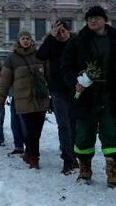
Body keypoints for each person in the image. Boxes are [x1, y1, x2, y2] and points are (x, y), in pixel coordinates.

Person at [61, 5, 116, 188]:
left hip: (110, 94)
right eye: (90, 18)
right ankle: (84, 171)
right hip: (85, 96)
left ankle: (113, 174)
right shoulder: (77, 42)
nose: (92, 21)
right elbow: (65, 67)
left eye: (97, 18)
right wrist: (74, 82)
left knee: (112, 133)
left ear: (104, 20)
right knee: (83, 133)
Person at [0, 30, 50, 169]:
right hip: (23, 101)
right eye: (23, 38)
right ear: (18, 41)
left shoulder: (40, 55)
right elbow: (4, 81)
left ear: (31, 40)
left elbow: (48, 75)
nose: (26, 40)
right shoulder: (12, 58)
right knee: (30, 130)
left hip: (40, 99)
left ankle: (30, 153)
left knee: (37, 130)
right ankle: (33, 158)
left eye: (28, 38)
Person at [36, 19, 78, 175]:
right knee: (64, 124)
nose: (60, 33)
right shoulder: (51, 43)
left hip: (75, 88)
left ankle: (74, 153)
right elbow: (40, 55)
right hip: (58, 89)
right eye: (57, 30)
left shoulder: (75, 42)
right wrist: (51, 37)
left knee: (74, 124)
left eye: (63, 30)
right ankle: (68, 159)